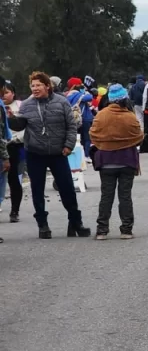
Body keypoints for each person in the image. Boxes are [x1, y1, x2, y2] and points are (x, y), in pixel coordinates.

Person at [7, 72, 91, 239]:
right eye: (32, 85)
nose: (35, 88)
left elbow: (71, 125)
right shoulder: (27, 104)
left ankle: (75, 222)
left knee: (67, 188)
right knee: (37, 190)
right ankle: (43, 225)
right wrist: (11, 119)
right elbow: (20, 125)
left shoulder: (61, 102)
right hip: (35, 153)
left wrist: (68, 145)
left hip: (58, 152)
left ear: (47, 86)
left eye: (38, 85)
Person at [90, 85, 143, 240]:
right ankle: (126, 230)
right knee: (125, 196)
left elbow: (93, 134)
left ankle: (102, 230)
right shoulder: (130, 116)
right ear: (124, 98)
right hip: (127, 161)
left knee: (106, 196)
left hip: (106, 161)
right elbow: (139, 136)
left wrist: (105, 144)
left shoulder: (101, 115)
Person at [2, 81, 24, 221]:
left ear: (13, 93)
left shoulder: (20, 106)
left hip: (14, 146)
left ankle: (14, 211)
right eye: (2, 92)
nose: (4, 95)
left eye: (7, 92)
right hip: (1, 146)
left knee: (13, 179)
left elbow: (24, 127)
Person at [66, 77, 95, 161]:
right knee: (86, 138)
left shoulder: (67, 95)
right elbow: (90, 97)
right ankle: (86, 155)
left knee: (75, 138)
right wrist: (85, 90)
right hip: (84, 118)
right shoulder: (80, 95)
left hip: (72, 119)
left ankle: (74, 155)